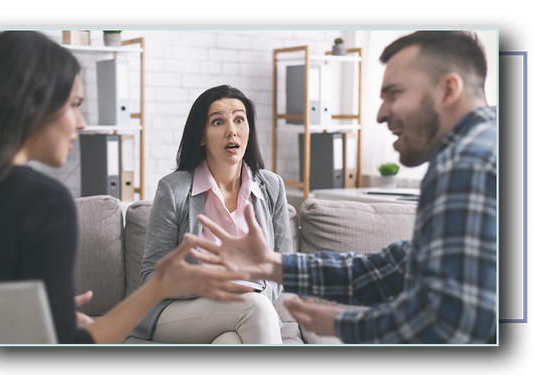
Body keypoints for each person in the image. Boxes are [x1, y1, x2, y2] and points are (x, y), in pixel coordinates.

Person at [190, 31, 497, 344]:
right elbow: (400, 268)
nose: (380, 113)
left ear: (448, 90)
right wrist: (274, 264)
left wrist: (348, 325)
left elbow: (454, 320)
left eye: (394, 93)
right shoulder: (479, 152)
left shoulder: (470, 163)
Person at [0, 31, 252, 345]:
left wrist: (38, 316)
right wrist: (157, 288)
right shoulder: (44, 205)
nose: (81, 123)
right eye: (73, 104)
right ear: (33, 100)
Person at [128, 85, 292, 344]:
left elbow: (283, 268)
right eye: (218, 122)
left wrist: (255, 288)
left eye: (239, 119)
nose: (232, 130)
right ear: (201, 136)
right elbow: (150, 277)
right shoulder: (174, 190)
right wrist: (207, 284)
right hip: (179, 312)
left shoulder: (272, 187)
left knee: (230, 341)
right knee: (255, 309)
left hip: (247, 307)